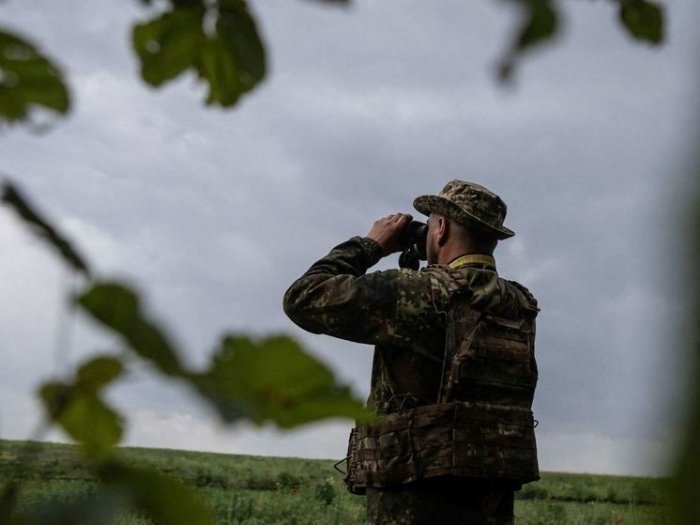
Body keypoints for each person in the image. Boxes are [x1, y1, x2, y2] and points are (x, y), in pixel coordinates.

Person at [283, 180, 539, 524]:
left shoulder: (420, 292)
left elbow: (303, 297)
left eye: (430, 222)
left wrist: (369, 244)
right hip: (490, 493)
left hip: (414, 494)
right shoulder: (518, 303)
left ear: (442, 227)